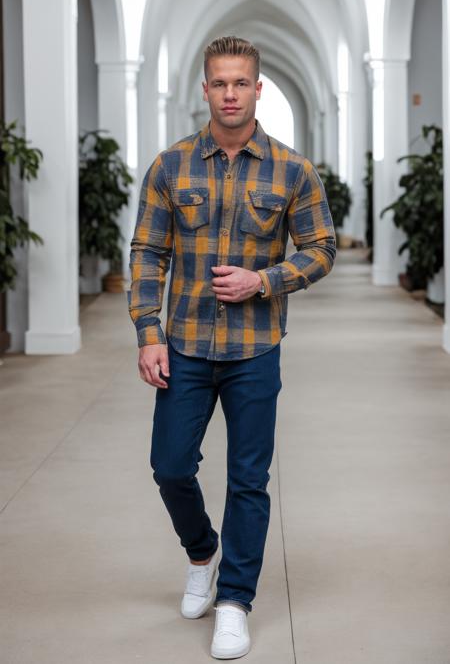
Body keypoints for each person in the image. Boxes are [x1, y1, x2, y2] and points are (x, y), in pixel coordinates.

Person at [128, 35, 336, 660]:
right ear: (205, 89)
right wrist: (147, 333)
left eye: (240, 82)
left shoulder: (292, 170)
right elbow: (147, 253)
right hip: (185, 344)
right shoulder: (171, 166)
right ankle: (202, 553)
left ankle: (234, 602)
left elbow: (321, 247)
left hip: (255, 349)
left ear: (257, 88)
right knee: (169, 466)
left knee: (249, 479)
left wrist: (264, 281)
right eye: (219, 83)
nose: (229, 94)